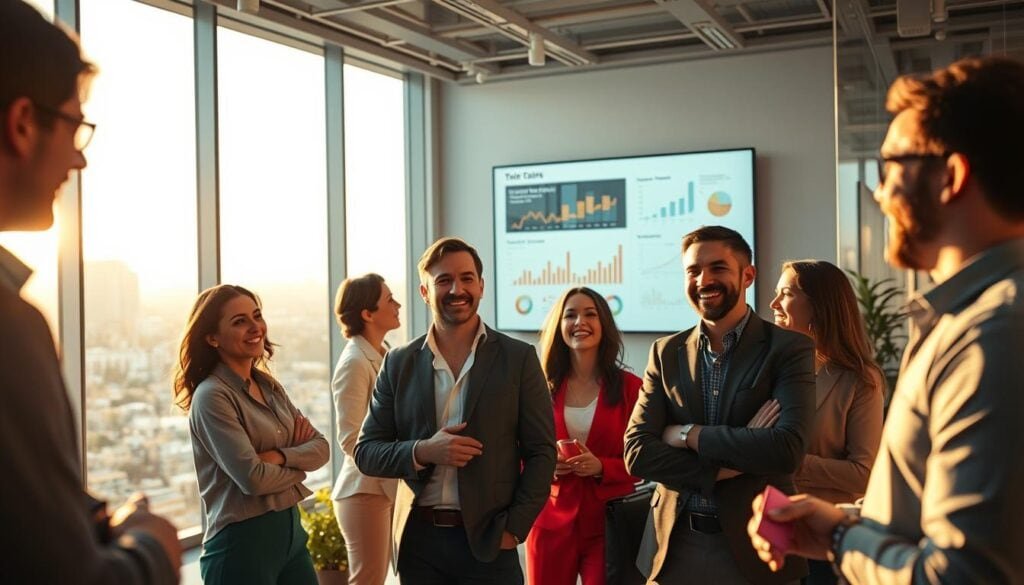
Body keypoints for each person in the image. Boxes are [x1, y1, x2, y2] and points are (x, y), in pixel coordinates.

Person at [748, 56, 1024, 584]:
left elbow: (965, 574)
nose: (879, 193)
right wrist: (843, 524)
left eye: (890, 168)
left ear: (951, 176)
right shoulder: (968, 321)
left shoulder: (995, 334)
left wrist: (839, 538)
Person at [0, 2, 180, 583]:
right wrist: (151, 549)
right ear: (23, 123)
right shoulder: (9, 327)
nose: (79, 157)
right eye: (76, 125)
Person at [354, 236, 556, 584]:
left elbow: (541, 452)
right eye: (443, 280)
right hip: (419, 544)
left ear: (481, 286)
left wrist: (515, 529)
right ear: (424, 292)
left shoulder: (518, 358)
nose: (456, 289)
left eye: (465, 278)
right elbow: (366, 452)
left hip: (492, 541)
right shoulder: (398, 363)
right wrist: (423, 451)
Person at [624, 225, 816, 585]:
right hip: (674, 549)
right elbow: (637, 453)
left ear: (748, 275)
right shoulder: (665, 352)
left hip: (758, 549)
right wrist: (722, 467)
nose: (703, 280)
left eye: (717, 268)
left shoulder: (788, 350)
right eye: (693, 271)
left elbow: (787, 449)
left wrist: (685, 434)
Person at [173, 284, 330, 585]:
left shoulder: (270, 386)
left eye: (256, 316)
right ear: (212, 337)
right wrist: (300, 468)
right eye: (239, 321)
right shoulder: (212, 397)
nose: (254, 327)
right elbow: (253, 479)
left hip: (291, 534)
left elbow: (321, 448)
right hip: (240, 545)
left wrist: (280, 456)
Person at [769, 260, 885, 584]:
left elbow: (864, 475)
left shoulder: (861, 379)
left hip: (822, 542)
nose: (773, 304)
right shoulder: (773, 368)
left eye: (786, 294)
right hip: (771, 533)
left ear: (820, 305)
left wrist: (791, 461)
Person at [526, 287, 643, 585]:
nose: (580, 321)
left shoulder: (632, 388)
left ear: (604, 323)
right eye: (570, 315)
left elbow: (645, 455)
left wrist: (603, 467)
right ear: (559, 326)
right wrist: (545, 466)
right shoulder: (537, 388)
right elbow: (515, 454)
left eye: (590, 314)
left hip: (609, 525)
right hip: (550, 523)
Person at [330, 273, 401, 585]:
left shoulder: (382, 353)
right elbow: (350, 439)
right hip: (364, 489)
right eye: (389, 299)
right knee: (368, 580)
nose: (398, 304)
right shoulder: (355, 362)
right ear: (367, 314)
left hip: (382, 487)